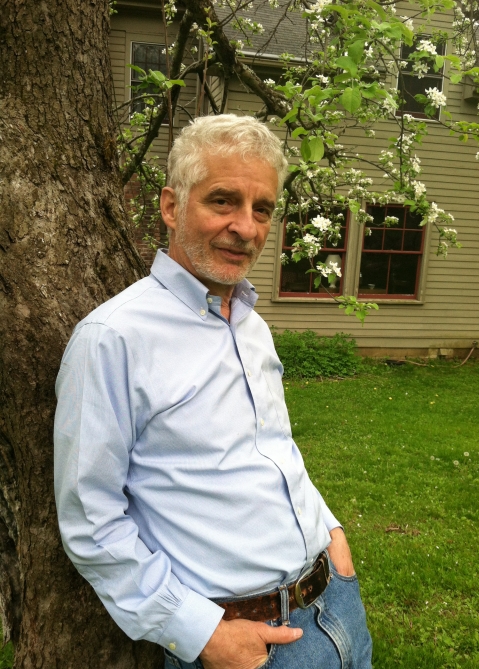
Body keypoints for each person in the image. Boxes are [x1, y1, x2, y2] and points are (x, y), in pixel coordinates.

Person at [54, 114, 372, 669]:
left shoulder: (250, 322)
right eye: (223, 201)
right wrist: (201, 635)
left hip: (335, 604)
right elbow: (91, 521)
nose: (245, 227)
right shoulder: (113, 339)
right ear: (172, 207)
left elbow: (273, 447)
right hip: (241, 642)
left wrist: (332, 531)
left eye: (262, 208)